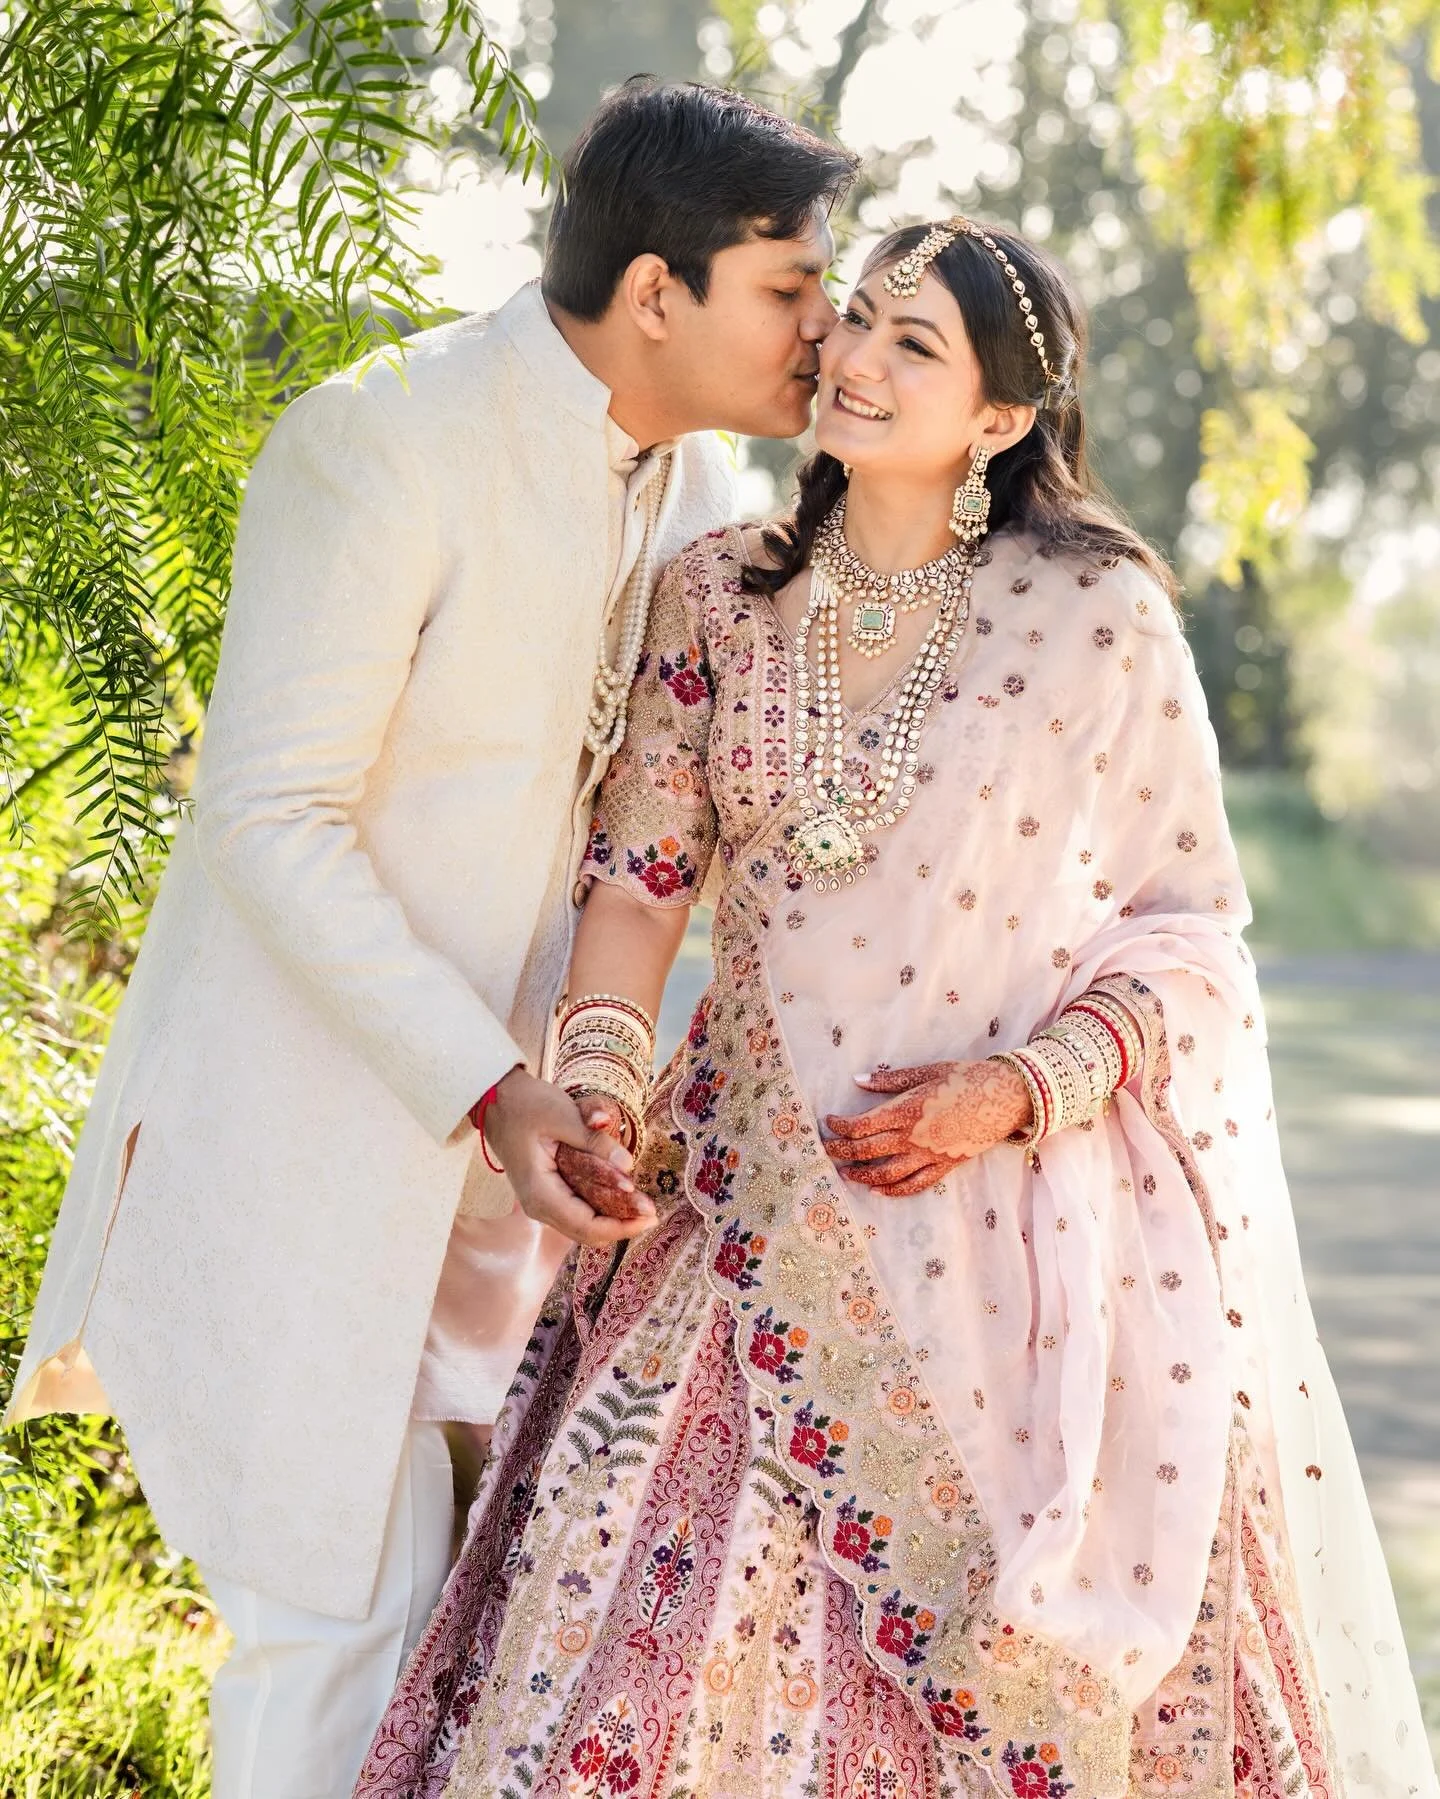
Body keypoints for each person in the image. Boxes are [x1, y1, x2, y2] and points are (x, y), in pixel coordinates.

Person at [353, 218, 1437, 1799]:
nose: (853, 358)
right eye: (855, 317)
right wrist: (600, 1075)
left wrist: (1016, 1089)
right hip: (730, 1217)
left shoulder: (1098, 618)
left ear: (1000, 419)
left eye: (910, 343)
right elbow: (646, 882)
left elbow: (1190, 928)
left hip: (1017, 1253)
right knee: (606, 1621)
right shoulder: (713, 596)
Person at [3, 79, 856, 1799]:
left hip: (509, 1183)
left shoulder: (695, 490)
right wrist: (487, 1084)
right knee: (337, 1627)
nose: (824, 328)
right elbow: (265, 815)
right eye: (790, 286)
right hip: (301, 1145)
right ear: (657, 294)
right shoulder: (382, 436)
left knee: (465, 1637)